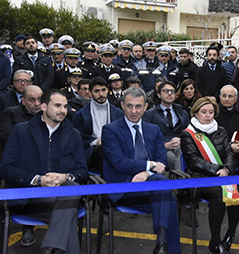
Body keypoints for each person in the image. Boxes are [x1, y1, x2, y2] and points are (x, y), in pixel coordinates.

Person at [0, 89, 88, 254]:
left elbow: (82, 171)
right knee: (68, 215)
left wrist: (64, 176)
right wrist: (38, 179)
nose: (63, 110)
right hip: (30, 198)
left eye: (65, 106)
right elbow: (6, 169)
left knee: (70, 188)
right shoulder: (21, 131)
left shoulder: (73, 134)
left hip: (63, 197)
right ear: (43, 106)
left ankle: (50, 249)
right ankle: (53, 248)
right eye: (57, 105)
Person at [102, 87, 181, 254]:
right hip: (124, 188)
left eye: (138, 106)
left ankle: (162, 245)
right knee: (166, 193)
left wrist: (146, 172)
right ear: (122, 105)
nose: (133, 111)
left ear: (146, 107)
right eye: (129, 106)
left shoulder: (153, 130)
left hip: (149, 186)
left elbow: (162, 161)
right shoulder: (110, 130)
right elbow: (119, 163)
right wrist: (150, 166)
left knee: (167, 196)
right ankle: (167, 247)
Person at [180, 97, 239, 254]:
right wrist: (218, 169)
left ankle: (230, 235)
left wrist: (227, 169)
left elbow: (229, 153)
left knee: (236, 198)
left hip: (222, 175)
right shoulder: (188, 133)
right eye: (204, 112)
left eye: (211, 112)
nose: (208, 115)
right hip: (199, 177)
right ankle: (215, 241)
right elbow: (193, 160)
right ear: (195, 113)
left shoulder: (220, 130)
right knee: (221, 197)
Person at [72, 77, 123, 173]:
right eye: (97, 91)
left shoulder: (118, 113)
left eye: (103, 90)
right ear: (90, 93)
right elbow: (78, 139)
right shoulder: (80, 115)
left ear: (108, 90)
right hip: (92, 152)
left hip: (116, 148)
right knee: (102, 149)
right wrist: (96, 142)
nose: (101, 94)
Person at [143, 81, 190, 171]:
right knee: (172, 158)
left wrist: (181, 140)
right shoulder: (150, 114)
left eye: (172, 91)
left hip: (180, 145)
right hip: (161, 148)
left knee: (182, 153)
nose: (169, 94)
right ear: (159, 95)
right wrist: (165, 145)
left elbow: (188, 131)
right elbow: (146, 137)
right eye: (166, 91)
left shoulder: (182, 112)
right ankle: (179, 181)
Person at [216, 85, 239, 165]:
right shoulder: (214, 114)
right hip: (220, 154)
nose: (226, 99)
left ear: (236, 98)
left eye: (230, 96)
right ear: (219, 97)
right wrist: (229, 148)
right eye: (224, 96)